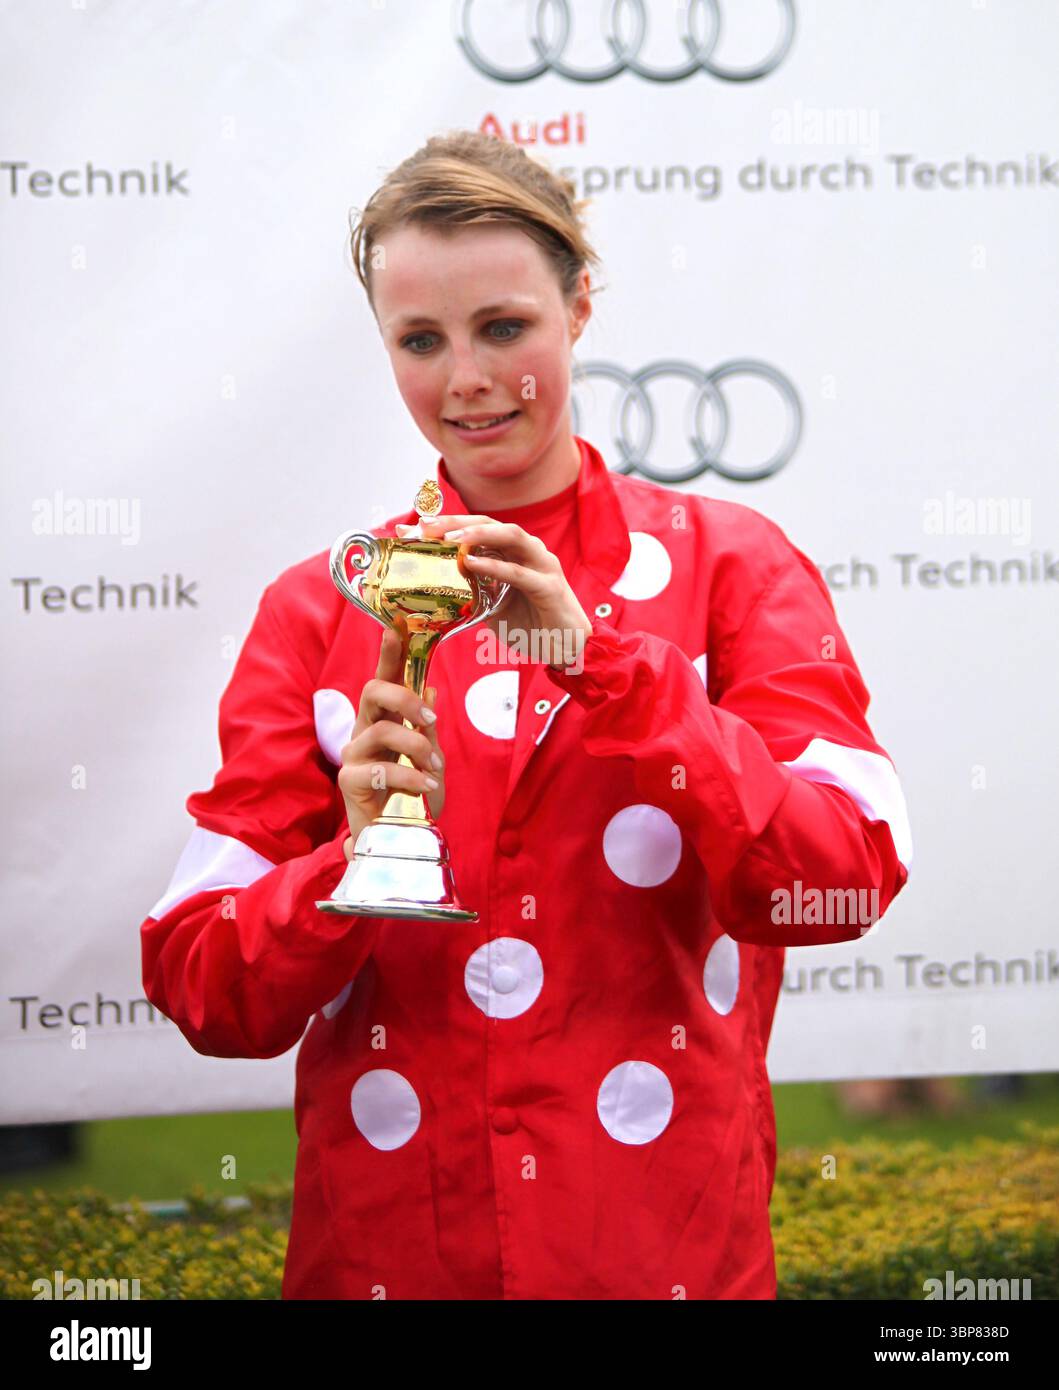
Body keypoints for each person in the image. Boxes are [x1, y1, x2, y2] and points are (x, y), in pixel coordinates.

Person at [140, 129, 913, 1300]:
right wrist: (352, 861)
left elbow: (843, 876)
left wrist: (605, 666)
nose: (466, 382)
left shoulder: (732, 568)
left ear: (579, 309)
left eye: (504, 326)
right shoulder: (320, 607)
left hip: (666, 1256)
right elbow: (203, 983)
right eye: (420, 340)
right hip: (389, 1258)